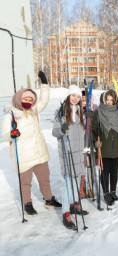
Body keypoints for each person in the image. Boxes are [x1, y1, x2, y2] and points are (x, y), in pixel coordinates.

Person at [1, 71, 61, 216]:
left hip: (39, 152)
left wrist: (45, 84)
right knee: (25, 183)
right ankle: (27, 204)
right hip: (23, 155)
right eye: (25, 98)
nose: (28, 101)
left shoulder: (33, 111)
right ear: (18, 99)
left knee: (44, 179)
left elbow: (43, 101)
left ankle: (49, 200)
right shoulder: (11, 115)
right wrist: (12, 134)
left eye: (30, 98)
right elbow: (5, 134)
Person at [52, 85, 89, 229]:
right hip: (67, 153)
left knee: (78, 181)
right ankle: (66, 213)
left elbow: (84, 132)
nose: (75, 98)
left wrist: (88, 120)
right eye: (73, 95)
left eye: (78, 97)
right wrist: (61, 129)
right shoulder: (60, 112)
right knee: (68, 185)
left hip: (79, 153)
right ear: (68, 96)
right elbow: (55, 132)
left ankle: (74, 204)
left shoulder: (81, 112)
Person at [92, 90, 118, 206]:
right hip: (103, 148)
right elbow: (93, 130)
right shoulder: (98, 112)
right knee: (105, 172)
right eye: (107, 100)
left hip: (117, 148)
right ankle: (106, 193)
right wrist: (96, 142)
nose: (109, 102)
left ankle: (113, 191)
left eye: (111, 100)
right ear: (103, 100)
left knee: (114, 171)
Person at [81, 88, 99, 199]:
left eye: (86, 96)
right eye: (82, 96)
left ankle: (90, 188)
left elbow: (98, 121)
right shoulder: (76, 108)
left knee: (90, 165)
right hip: (81, 140)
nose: (84, 98)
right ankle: (81, 188)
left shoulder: (95, 107)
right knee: (81, 166)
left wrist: (91, 114)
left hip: (91, 140)